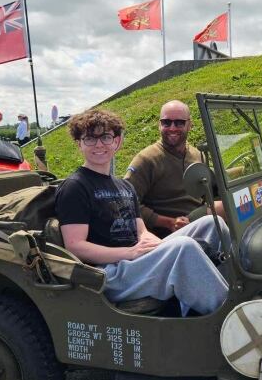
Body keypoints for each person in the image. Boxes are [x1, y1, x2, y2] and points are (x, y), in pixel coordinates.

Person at [55, 109, 229, 316]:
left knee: (211, 224)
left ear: (117, 142)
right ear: (79, 144)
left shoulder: (124, 187)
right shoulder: (75, 186)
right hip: (108, 273)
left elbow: (141, 231)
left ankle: (234, 288)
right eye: (90, 138)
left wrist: (156, 244)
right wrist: (129, 253)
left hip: (134, 261)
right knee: (184, 247)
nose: (99, 145)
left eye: (106, 137)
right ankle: (232, 316)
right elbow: (76, 246)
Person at [124, 100, 224, 237]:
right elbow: (126, 203)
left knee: (232, 204)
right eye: (166, 122)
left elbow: (211, 190)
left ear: (189, 125)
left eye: (179, 122)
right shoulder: (146, 159)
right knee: (221, 209)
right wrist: (168, 222)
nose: (172, 128)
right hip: (166, 232)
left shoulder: (197, 155)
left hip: (194, 219)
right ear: (159, 125)